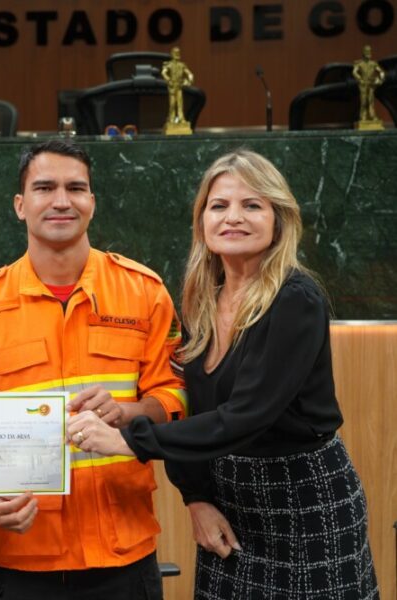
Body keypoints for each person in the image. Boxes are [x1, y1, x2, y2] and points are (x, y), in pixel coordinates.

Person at [69, 150, 380, 599]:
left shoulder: (297, 299)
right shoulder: (200, 298)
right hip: (228, 503)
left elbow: (246, 416)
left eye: (252, 205)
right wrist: (196, 497)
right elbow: (188, 406)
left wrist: (127, 440)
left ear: (279, 219)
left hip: (305, 502)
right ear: (202, 221)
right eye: (219, 206)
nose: (233, 217)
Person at [0, 139, 186, 599]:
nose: (61, 200)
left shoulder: (145, 293)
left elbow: (175, 398)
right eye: (44, 188)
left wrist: (126, 411)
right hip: (25, 554)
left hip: (123, 553)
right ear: (21, 206)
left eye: (75, 188)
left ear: (92, 203)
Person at [161, 46, 194, 126]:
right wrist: (168, 80)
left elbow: (189, 73)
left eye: (178, 53)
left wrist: (189, 80)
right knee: (172, 104)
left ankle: (181, 119)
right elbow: (163, 73)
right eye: (175, 53)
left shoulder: (182, 65)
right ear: (172, 54)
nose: (177, 54)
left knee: (180, 104)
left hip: (179, 86)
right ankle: (171, 119)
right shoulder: (169, 64)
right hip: (172, 86)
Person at [353, 45, 386, 123]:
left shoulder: (373, 64)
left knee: (371, 100)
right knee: (364, 101)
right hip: (363, 84)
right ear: (363, 53)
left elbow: (381, 72)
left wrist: (380, 79)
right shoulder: (359, 63)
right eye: (366, 51)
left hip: (371, 84)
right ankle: (363, 117)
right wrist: (359, 79)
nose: (368, 53)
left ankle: (372, 116)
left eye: (369, 51)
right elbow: (354, 72)